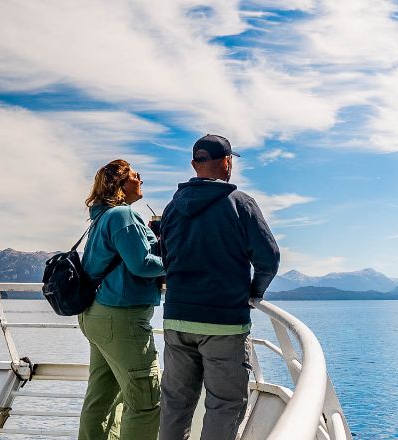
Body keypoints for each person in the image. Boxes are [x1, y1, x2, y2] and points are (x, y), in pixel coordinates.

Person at [158, 135, 279, 440]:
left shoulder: (172, 208)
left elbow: (164, 258)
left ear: (194, 164)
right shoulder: (240, 204)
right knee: (225, 404)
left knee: (175, 403)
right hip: (223, 322)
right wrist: (255, 291)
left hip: (176, 319)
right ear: (226, 162)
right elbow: (268, 259)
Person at [78, 159, 165, 440]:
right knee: (145, 401)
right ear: (121, 184)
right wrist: (179, 260)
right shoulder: (122, 216)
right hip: (121, 319)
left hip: (96, 314)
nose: (141, 180)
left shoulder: (102, 217)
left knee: (102, 398)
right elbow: (141, 265)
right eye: (136, 175)